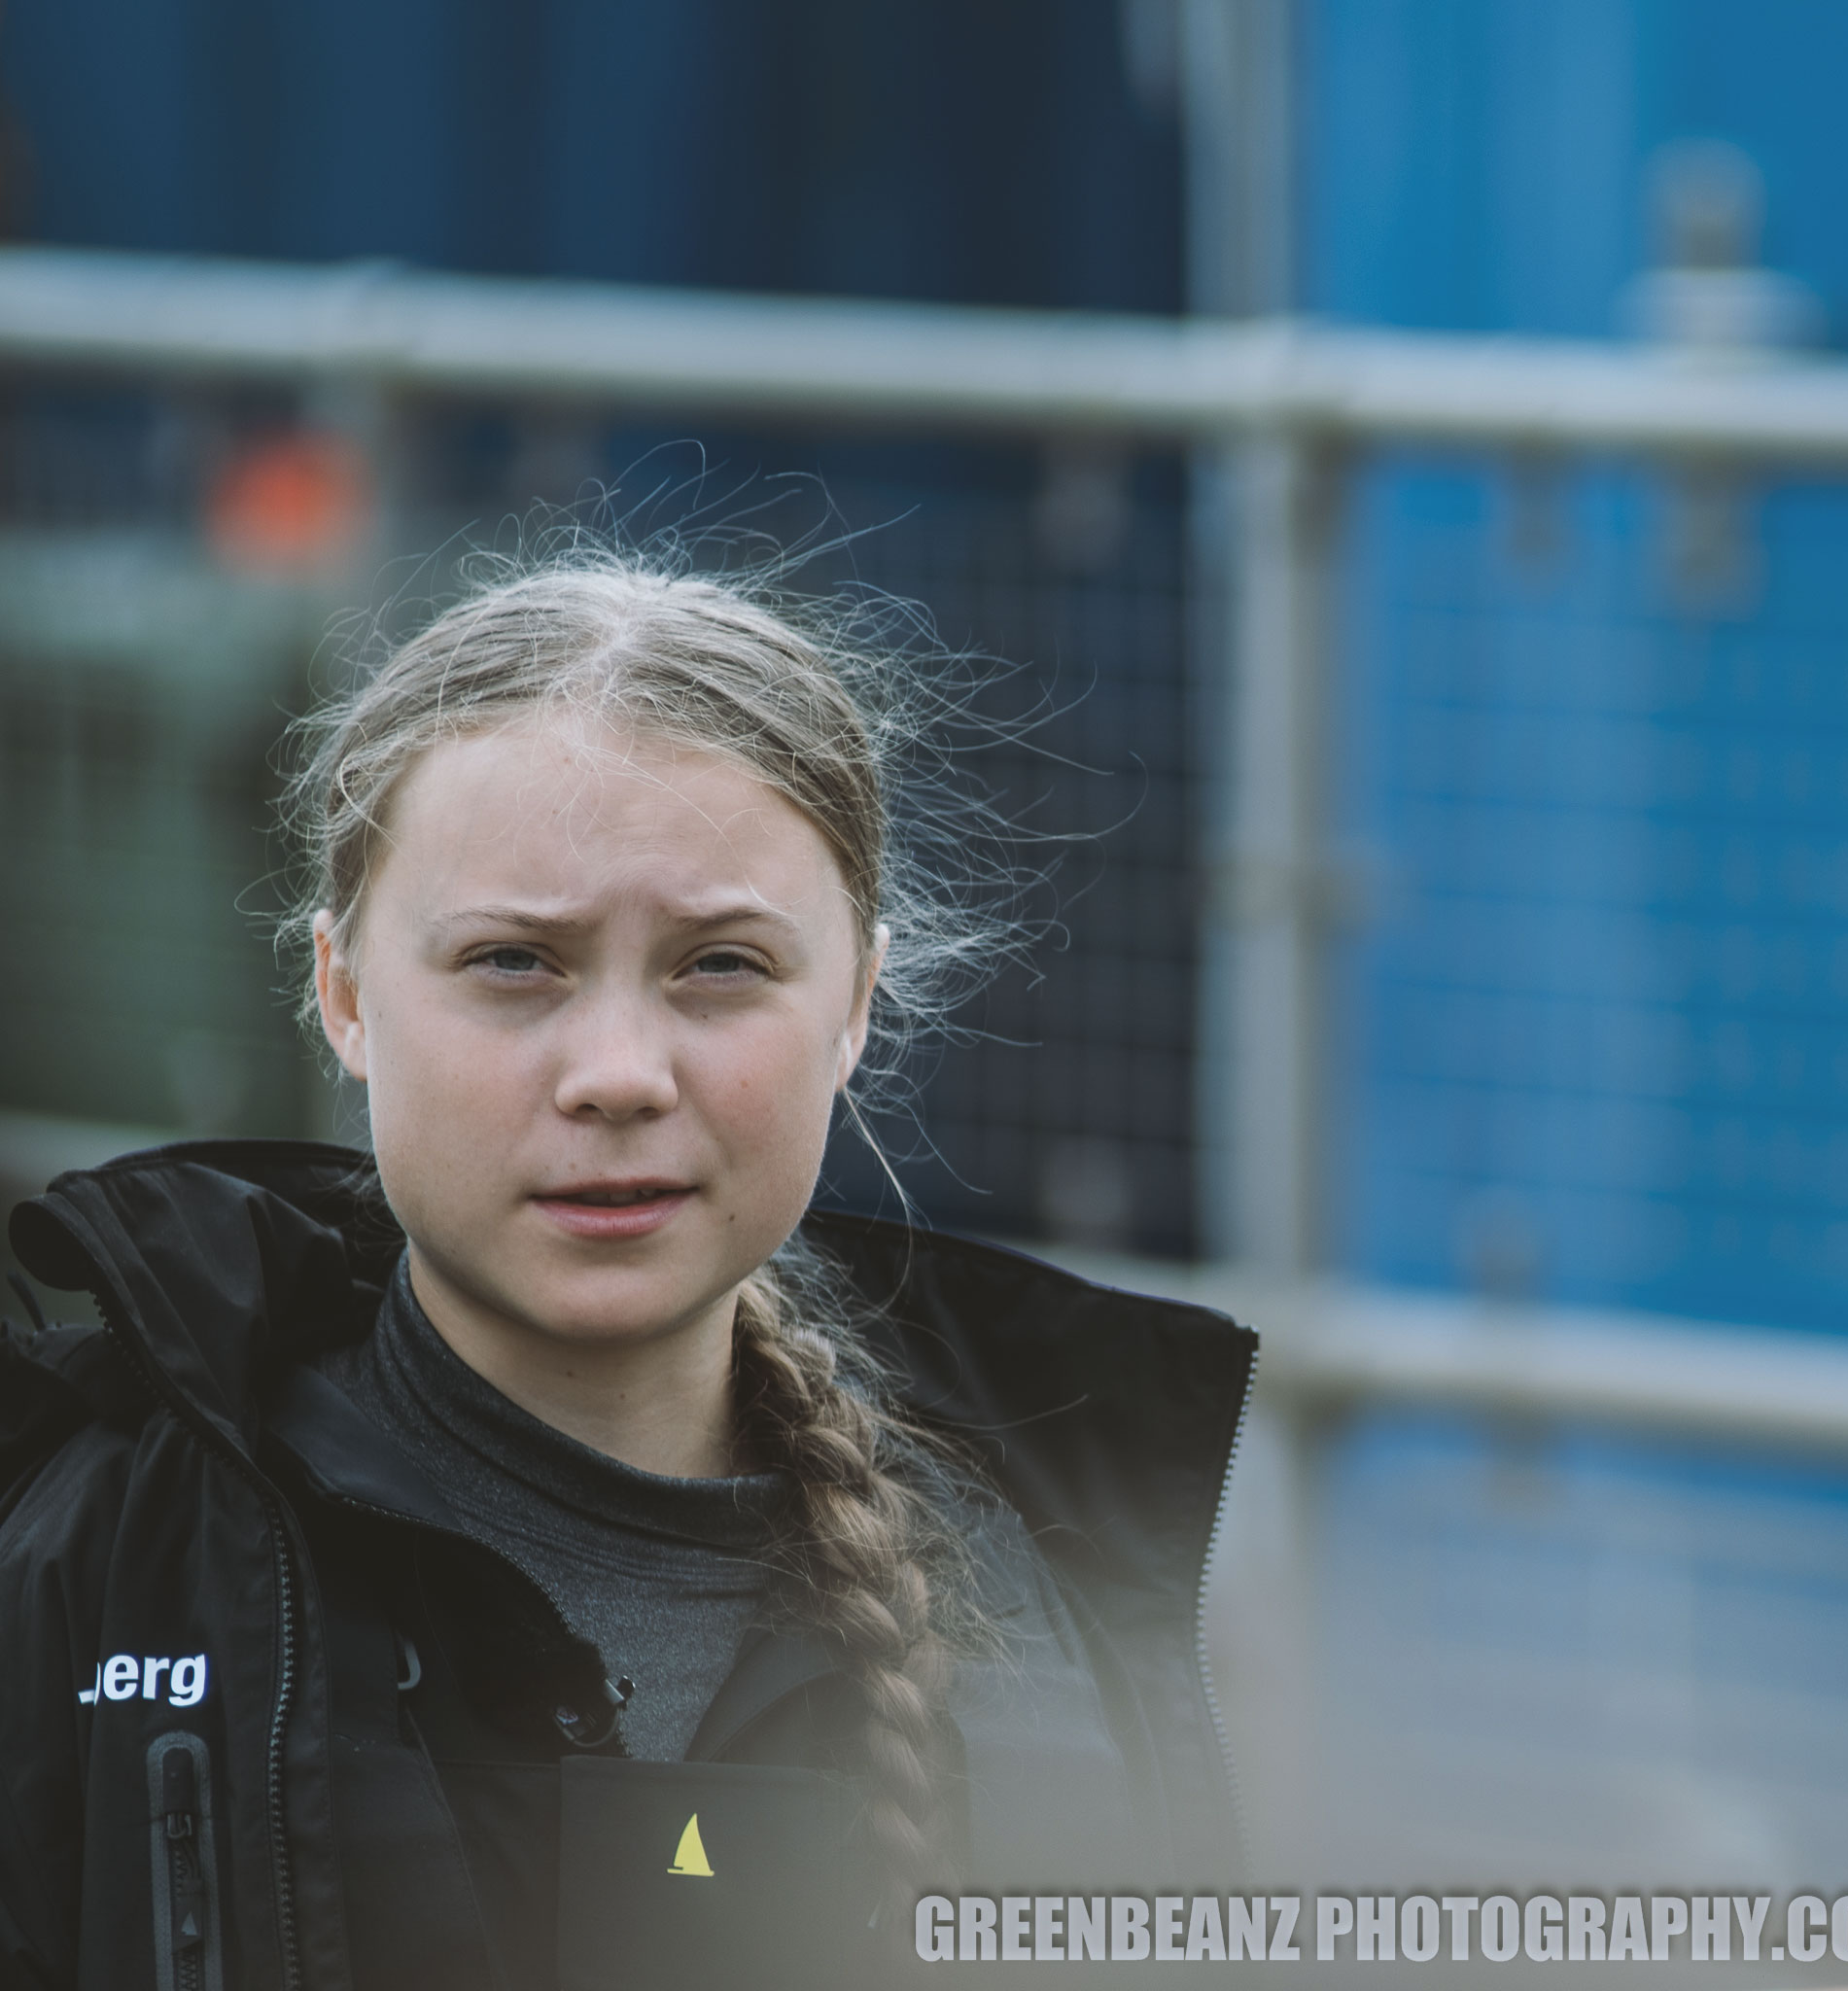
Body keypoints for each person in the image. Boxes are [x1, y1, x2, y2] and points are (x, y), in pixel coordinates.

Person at [0, 554, 1255, 1990]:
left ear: (854, 1004)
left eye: (720, 965)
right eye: (515, 963)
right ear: (344, 998)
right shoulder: (84, 1568)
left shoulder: (1058, 1591)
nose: (617, 1076)